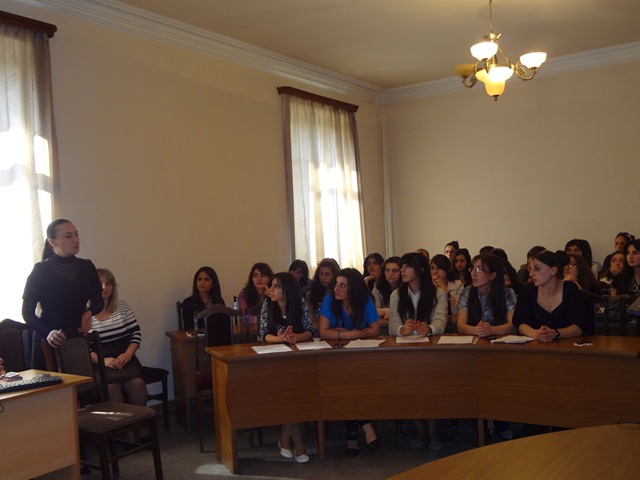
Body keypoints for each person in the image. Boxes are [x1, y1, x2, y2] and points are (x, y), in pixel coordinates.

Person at [22, 219, 103, 369]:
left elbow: (98, 300)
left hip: (76, 337)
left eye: (76, 235)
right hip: (47, 341)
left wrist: (89, 312)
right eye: (68, 236)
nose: (75, 240)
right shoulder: (40, 270)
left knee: (81, 383)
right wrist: (48, 333)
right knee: (50, 384)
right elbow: (27, 312)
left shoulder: (87, 266)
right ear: (52, 242)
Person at [318, 268, 380, 456]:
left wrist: (356, 334)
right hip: (335, 358)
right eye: (336, 284)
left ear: (353, 289)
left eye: (342, 285)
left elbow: (375, 328)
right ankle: (366, 426)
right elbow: (323, 331)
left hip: (360, 356)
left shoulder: (365, 300)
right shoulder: (329, 300)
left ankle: (352, 437)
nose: (336, 289)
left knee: (355, 384)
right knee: (347, 384)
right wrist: (348, 334)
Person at [389, 252, 447, 450]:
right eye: (402, 267)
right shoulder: (397, 295)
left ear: (421, 270)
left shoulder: (437, 293)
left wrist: (428, 328)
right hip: (405, 350)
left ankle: (432, 431)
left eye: (407, 267)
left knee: (429, 390)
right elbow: (392, 324)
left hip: (429, 350)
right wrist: (401, 329)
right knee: (411, 390)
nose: (402, 271)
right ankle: (419, 430)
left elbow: (440, 320)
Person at [258, 272, 313, 462]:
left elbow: (310, 330)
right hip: (274, 358)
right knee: (289, 392)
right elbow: (263, 333)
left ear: (287, 290)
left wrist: (296, 337)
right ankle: (299, 445)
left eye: (276, 286)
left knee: (294, 392)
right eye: (271, 286)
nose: (271, 290)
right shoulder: (268, 304)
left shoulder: (300, 303)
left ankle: (284, 439)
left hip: (297, 357)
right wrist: (279, 339)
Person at [90, 268, 147, 406]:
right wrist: (104, 361)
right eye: (100, 283)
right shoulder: (85, 312)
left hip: (125, 359)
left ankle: (141, 420)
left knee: (138, 384)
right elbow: (82, 346)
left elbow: (135, 332)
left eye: (108, 283)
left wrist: (128, 354)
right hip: (99, 363)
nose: (104, 287)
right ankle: (122, 421)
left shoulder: (121, 306)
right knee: (111, 388)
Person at [513, 250, 591, 340]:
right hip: (535, 344)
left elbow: (580, 326)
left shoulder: (570, 289)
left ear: (553, 270)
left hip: (567, 344)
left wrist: (556, 333)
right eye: (531, 269)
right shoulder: (528, 290)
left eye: (537, 269)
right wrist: (536, 334)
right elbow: (520, 323)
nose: (531, 274)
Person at [456, 254, 517, 338]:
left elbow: (513, 326)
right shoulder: (467, 292)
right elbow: (460, 325)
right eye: (472, 269)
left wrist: (491, 330)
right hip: (475, 339)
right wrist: (478, 330)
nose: (473, 273)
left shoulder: (507, 293)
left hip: (501, 340)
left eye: (479, 269)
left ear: (492, 275)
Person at [181, 266, 224, 330]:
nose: (202, 283)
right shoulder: (188, 303)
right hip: (197, 335)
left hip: (217, 335)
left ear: (213, 284)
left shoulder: (219, 301)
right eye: (199, 279)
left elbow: (223, 324)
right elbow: (188, 328)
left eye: (206, 280)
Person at [430, 254, 463, 332]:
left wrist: (443, 287)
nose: (435, 272)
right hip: (433, 325)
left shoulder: (458, 285)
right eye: (432, 268)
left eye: (439, 268)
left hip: (453, 326)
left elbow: (455, 309)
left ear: (447, 270)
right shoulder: (427, 287)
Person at [307, 258, 340, 322]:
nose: (323, 278)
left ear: (334, 275)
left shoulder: (339, 291)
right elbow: (311, 317)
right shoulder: (313, 291)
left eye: (327, 274)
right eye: (321, 274)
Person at [371, 256, 402, 322]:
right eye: (387, 270)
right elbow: (373, 310)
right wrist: (386, 310)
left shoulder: (407, 286)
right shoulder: (378, 287)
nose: (390, 274)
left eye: (395, 271)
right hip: (385, 322)